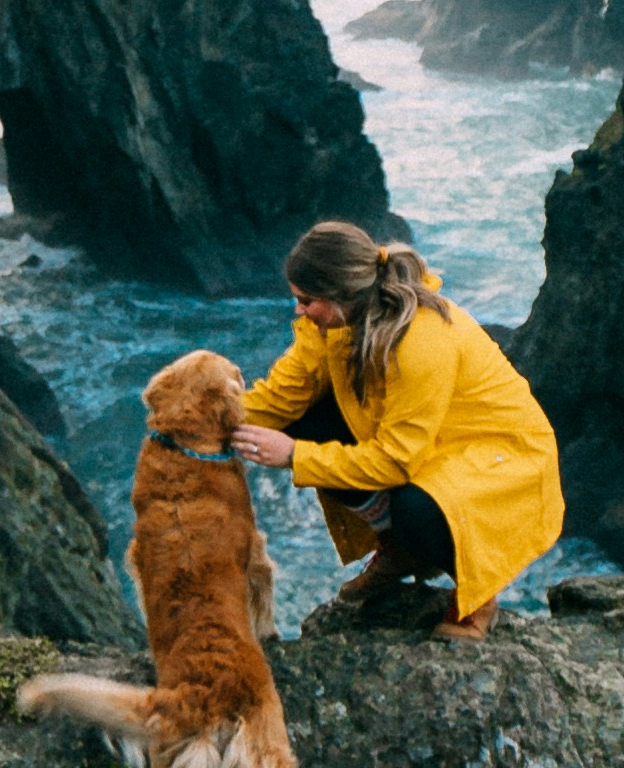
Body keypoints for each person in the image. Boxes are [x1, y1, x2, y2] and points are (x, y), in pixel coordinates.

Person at [231, 219, 564, 640]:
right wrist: (205, 419)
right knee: (307, 421)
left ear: (340, 296)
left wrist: (295, 455)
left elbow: (395, 460)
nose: (298, 309)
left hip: (501, 458)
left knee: (417, 509)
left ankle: (478, 595)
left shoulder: (420, 340)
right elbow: (282, 397)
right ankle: (402, 549)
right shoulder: (332, 323)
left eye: (305, 299)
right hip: (428, 443)